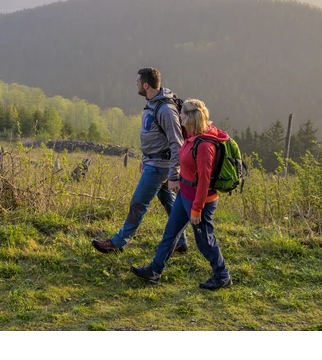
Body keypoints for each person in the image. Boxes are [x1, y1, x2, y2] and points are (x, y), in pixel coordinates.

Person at [130, 98, 233, 290]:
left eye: (182, 114)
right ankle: (155, 271)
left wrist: (197, 209)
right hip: (184, 195)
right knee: (170, 234)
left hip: (199, 201)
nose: (179, 117)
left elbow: (203, 180)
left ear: (190, 117)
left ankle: (222, 276)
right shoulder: (191, 135)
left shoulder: (204, 146)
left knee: (205, 241)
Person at [92, 68, 188, 254]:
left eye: (137, 81)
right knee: (168, 200)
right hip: (153, 162)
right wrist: (146, 157)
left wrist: (174, 174)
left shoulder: (166, 110)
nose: (135, 84)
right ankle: (180, 241)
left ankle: (118, 242)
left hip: (159, 166)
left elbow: (177, 143)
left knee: (138, 202)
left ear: (146, 85)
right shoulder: (153, 103)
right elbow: (153, 135)